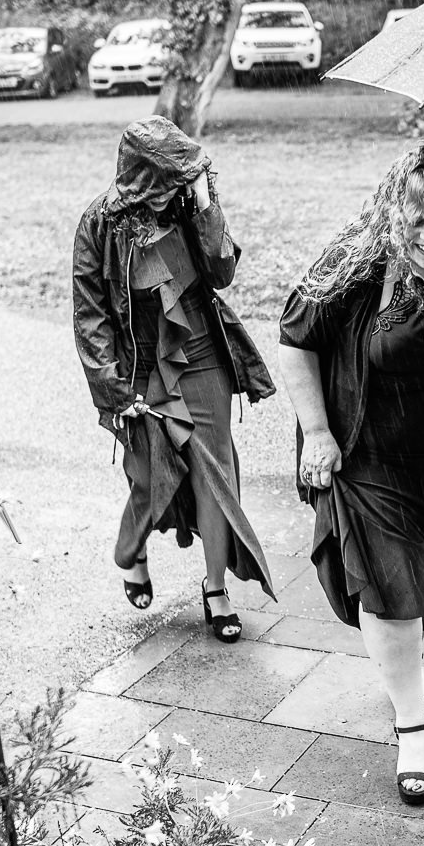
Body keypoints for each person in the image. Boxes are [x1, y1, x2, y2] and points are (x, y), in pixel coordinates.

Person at [273, 146, 424, 806]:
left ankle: (408, 674)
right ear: (395, 210)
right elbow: (294, 341)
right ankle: (411, 731)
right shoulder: (354, 262)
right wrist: (315, 432)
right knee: (389, 589)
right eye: (416, 220)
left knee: (417, 593)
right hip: (365, 458)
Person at [73, 117, 275, 640]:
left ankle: (215, 590)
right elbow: (91, 315)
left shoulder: (191, 205)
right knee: (150, 473)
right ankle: (132, 552)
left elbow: (222, 272)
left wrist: (206, 204)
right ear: (142, 178)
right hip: (139, 365)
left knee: (216, 474)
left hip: (201, 352)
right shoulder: (98, 223)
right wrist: (114, 391)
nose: (174, 191)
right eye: (168, 180)